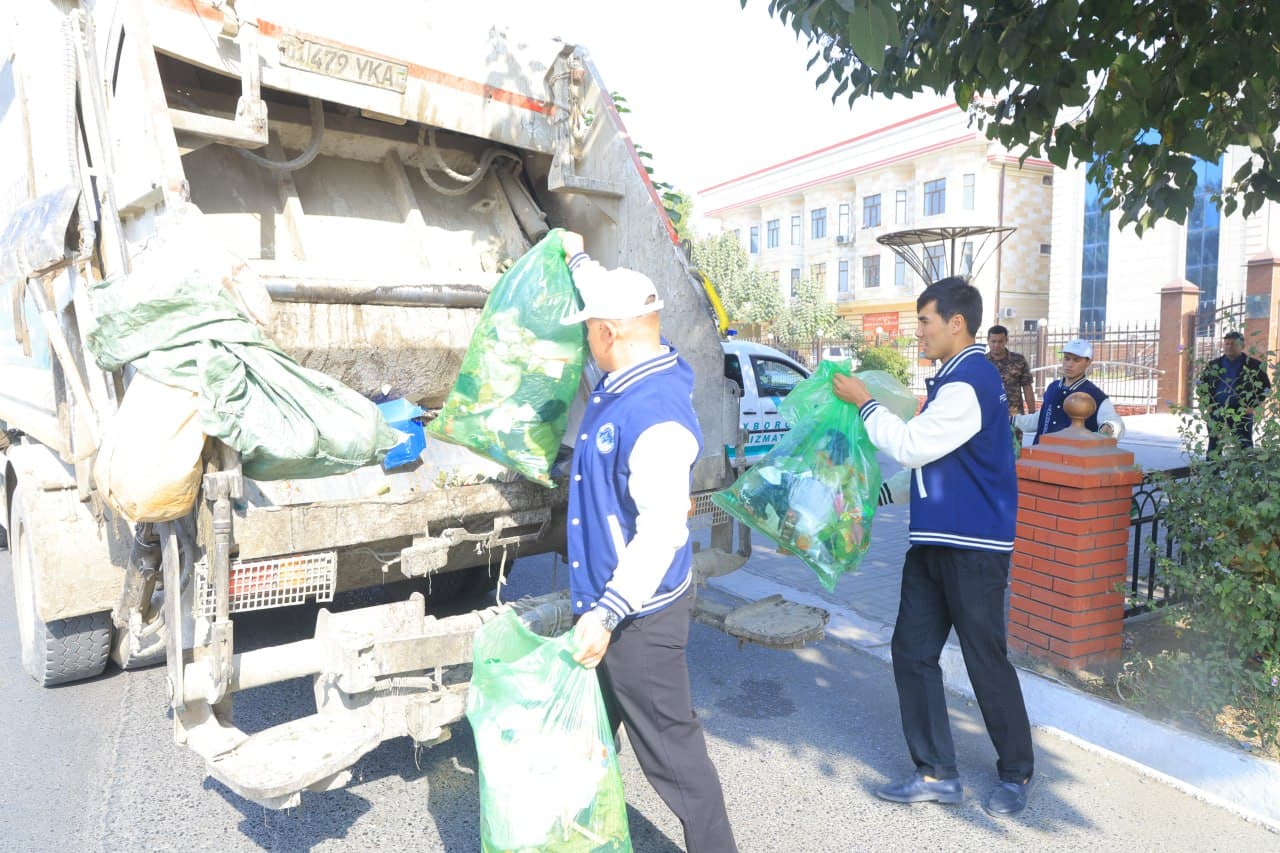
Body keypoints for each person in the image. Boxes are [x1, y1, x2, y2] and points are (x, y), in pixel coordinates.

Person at [560, 231, 737, 853]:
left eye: (589, 331)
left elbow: (663, 529)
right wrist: (576, 256)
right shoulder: (637, 370)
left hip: (639, 617)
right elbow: (601, 292)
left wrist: (608, 615)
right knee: (586, 739)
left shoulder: (656, 414)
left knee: (675, 758)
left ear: (609, 333)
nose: (586, 342)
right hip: (613, 607)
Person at [832, 276, 1035, 818]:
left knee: (984, 659)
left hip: (973, 547)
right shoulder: (951, 382)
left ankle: (1016, 771)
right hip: (933, 543)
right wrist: (870, 499)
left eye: (924, 321)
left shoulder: (970, 381)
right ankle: (936, 772)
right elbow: (931, 466)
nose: (917, 331)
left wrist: (865, 403)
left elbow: (912, 445)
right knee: (912, 652)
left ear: (956, 323)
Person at [1013, 339, 1124, 443]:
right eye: (1067, 358)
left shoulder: (1095, 396)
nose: (1069, 364)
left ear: (1088, 362)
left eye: (1076, 360)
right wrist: (1012, 420)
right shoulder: (1053, 387)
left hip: (1072, 460)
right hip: (1041, 456)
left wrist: (1110, 427)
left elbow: (1115, 423)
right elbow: (1041, 418)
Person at [1198, 330, 1271, 455]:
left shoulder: (1253, 365)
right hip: (1217, 410)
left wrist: (1253, 406)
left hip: (1242, 411)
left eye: (1233, 344)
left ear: (1242, 346)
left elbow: (1266, 387)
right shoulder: (1213, 365)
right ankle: (1212, 474)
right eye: (1226, 344)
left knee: (1244, 445)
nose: (1229, 347)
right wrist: (1207, 405)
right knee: (1214, 445)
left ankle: (1245, 473)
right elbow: (1201, 386)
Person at [986, 325, 1036, 416]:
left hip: (1014, 415)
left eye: (1000, 341)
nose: (996, 345)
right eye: (993, 341)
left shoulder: (1019, 360)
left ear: (1006, 341)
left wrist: (1032, 413)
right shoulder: (982, 362)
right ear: (988, 341)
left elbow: (1027, 387)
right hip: (989, 415)